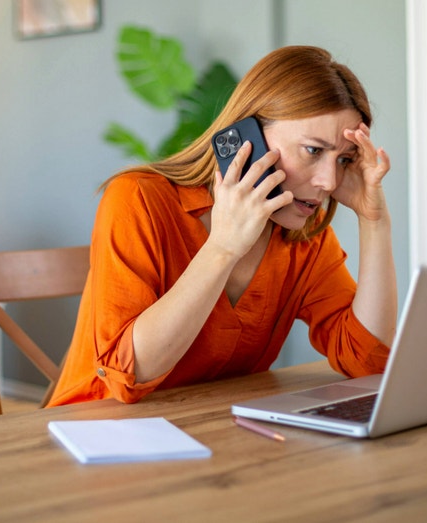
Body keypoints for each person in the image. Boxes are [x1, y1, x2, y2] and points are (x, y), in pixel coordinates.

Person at [46, 46, 397, 407]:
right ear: (249, 138)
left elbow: (367, 361)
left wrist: (375, 222)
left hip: (211, 432)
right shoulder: (138, 200)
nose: (328, 180)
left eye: (344, 159)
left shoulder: (303, 233)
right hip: (94, 428)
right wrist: (224, 248)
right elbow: (129, 376)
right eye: (312, 150)